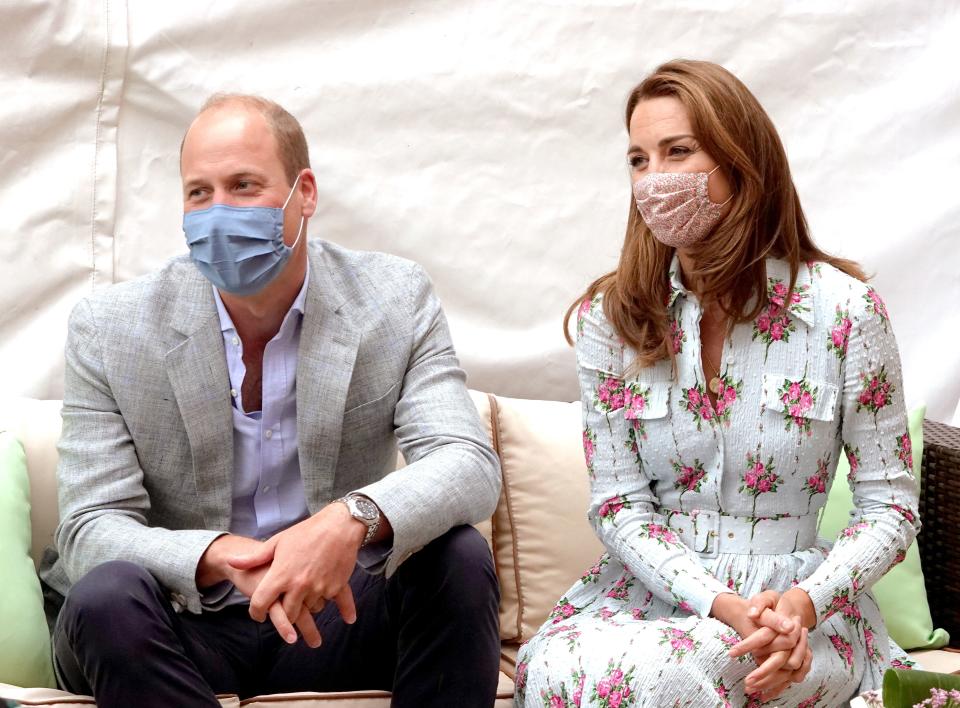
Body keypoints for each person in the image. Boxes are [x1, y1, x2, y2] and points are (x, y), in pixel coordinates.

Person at [40, 94, 502, 708]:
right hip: (182, 625)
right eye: (199, 194)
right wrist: (211, 555)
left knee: (459, 556)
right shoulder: (111, 327)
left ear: (303, 193)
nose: (218, 212)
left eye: (244, 185)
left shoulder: (392, 299)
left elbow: (468, 462)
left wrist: (347, 520)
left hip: (330, 614)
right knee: (104, 595)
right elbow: (88, 527)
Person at [515, 59, 919, 707]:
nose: (653, 179)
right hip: (651, 596)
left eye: (678, 152)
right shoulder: (611, 319)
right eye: (639, 160)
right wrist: (721, 605)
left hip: (800, 609)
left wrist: (800, 607)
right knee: (561, 666)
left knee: (667, 675)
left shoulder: (846, 312)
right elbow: (619, 505)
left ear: (741, 163)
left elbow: (889, 509)